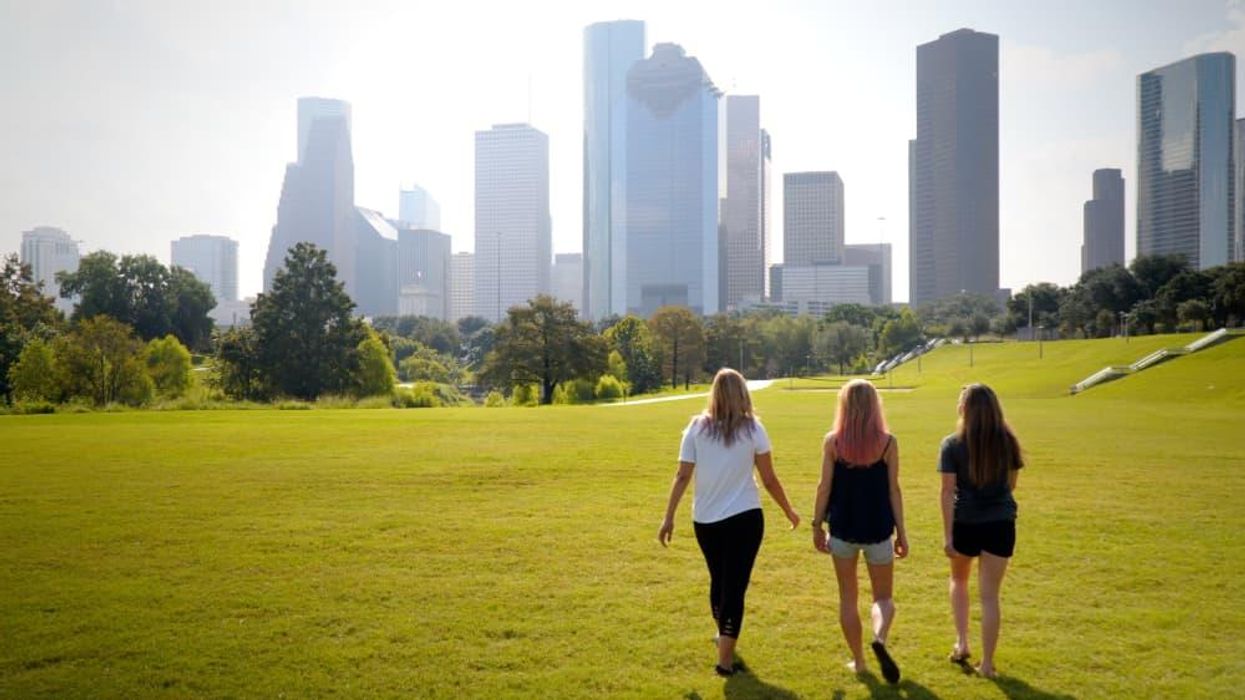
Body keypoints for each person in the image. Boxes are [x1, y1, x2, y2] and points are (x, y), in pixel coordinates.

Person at [658, 368, 800, 677]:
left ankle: (723, 635)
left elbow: (682, 475)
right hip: (745, 519)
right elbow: (770, 479)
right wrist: (789, 509)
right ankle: (724, 662)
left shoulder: (695, 428)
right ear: (742, 394)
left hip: (706, 521)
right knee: (733, 587)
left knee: (721, 581)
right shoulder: (753, 429)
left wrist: (669, 517)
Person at [811, 379, 908, 684]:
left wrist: (816, 526)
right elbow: (894, 490)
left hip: (842, 531)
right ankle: (879, 637)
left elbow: (824, 487)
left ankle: (859, 661)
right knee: (883, 598)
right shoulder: (889, 443)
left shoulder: (833, 442)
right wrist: (902, 533)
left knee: (847, 598)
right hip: (879, 531)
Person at [940, 383, 1024, 678]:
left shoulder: (952, 444)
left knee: (959, 581)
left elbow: (948, 492)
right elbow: (1011, 485)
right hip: (1001, 523)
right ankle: (987, 664)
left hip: (965, 523)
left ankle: (962, 643)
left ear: (965, 409)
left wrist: (948, 535)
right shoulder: (1008, 441)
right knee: (990, 596)